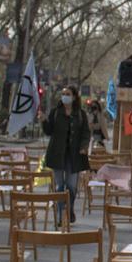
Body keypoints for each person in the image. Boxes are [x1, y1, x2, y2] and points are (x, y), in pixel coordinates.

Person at [43, 86, 89, 226]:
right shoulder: (55, 112)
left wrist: (83, 147)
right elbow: (49, 131)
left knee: (71, 186)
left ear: (74, 97)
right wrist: (44, 120)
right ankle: (60, 215)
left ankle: (69, 209)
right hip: (57, 154)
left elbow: (86, 133)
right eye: (63, 94)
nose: (64, 96)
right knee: (59, 186)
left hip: (74, 155)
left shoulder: (81, 114)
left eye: (67, 94)